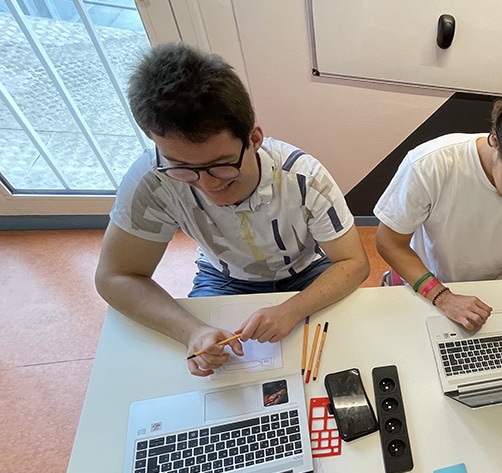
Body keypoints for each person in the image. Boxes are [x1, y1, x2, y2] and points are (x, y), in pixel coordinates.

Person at [95, 43, 369, 377]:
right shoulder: (153, 179)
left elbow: (353, 262)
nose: (207, 185)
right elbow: (115, 276)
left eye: (221, 165)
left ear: (253, 138)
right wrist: (190, 331)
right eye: (182, 167)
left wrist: (292, 309)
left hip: (305, 271)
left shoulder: (303, 177)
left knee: (345, 358)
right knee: (208, 375)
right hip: (224, 277)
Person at [374, 67, 502, 360]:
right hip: (427, 281)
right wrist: (442, 297)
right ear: (496, 140)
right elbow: (387, 242)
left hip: (490, 287)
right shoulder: (431, 164)